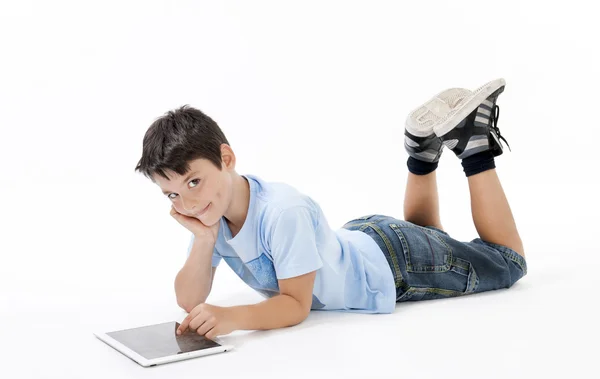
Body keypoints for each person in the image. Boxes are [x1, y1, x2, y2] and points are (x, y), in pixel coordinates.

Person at [134, 78, 527, 340]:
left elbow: (295, 305)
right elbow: (189, 299)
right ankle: (421, 153)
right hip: (369, 242)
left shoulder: (281, 212)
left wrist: (233, 318)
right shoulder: (211, 214)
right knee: (435, 240)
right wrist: (204, 241)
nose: (187, 202)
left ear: (227, 157)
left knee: (508, 262)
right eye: (171, 195)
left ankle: (473, 144)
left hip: (394, 267)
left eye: (193, 181)